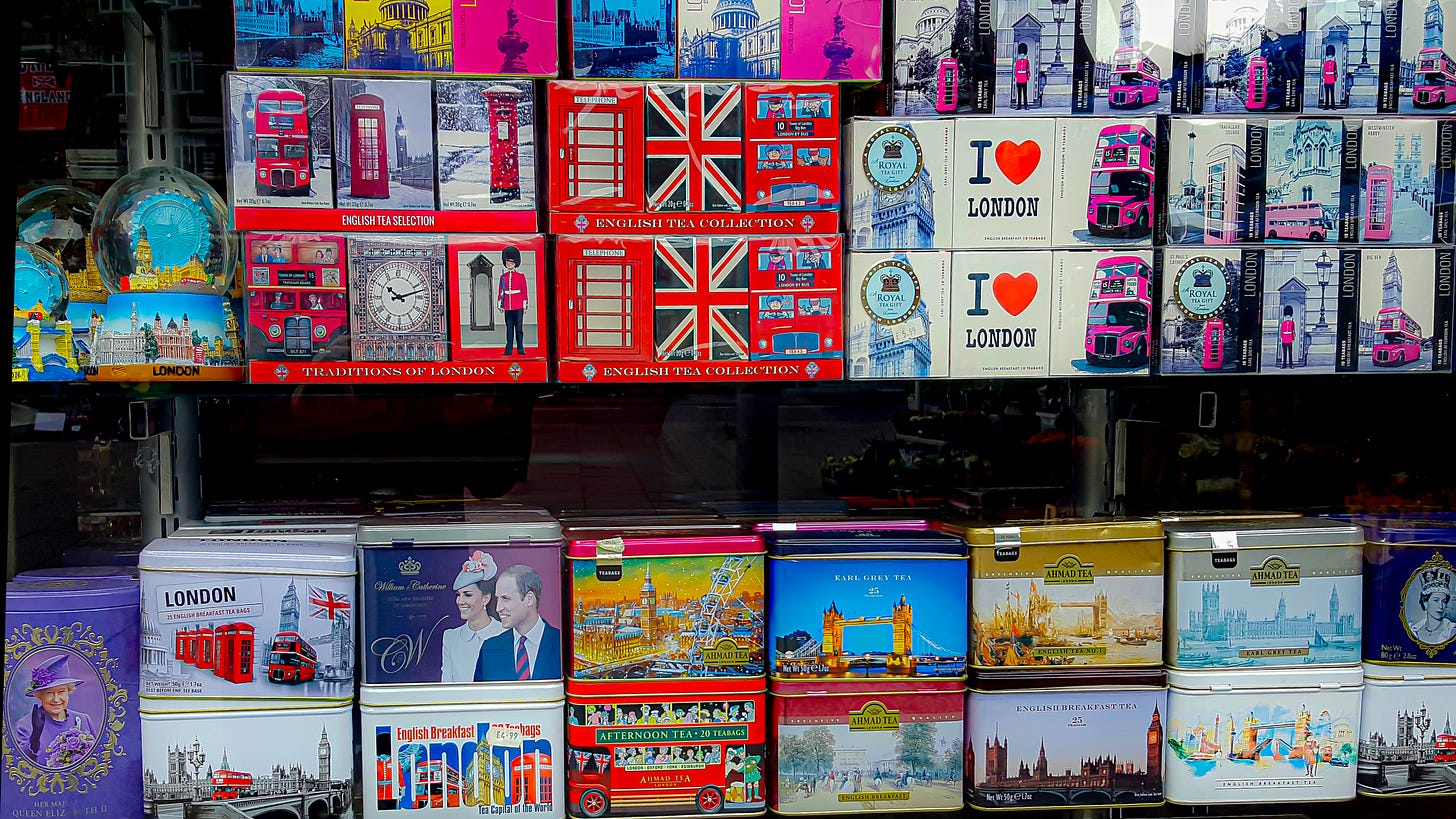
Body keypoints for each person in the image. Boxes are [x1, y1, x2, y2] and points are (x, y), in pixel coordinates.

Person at [474, 564, 561, 681]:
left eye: (506, 599)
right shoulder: (489, 648)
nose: (498, 608)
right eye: (498, 599)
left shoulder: (562, 644)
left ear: (529, 599)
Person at [13, 655, 96, 767]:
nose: (56, 699)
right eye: (49, 693)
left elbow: (97, 759)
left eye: (61, 691)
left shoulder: (84, 719)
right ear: (40, 695)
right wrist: (34, 738)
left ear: (69, 691)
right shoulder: (25, 725)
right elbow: (22, 765)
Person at [441, 550, 502, 682]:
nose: (460, 601)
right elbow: (446, 684)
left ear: (485, 598)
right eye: (459, 594)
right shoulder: (451, 637)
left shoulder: (506, 633)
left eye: (467, 595)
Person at [498, 245, 528, 356]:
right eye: (507, 261)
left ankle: (520, 348)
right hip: (507, 306)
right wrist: (501, 305)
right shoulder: (503, 277)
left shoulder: (521, 276)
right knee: (509, 329)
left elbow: (524, 292)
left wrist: (524, 306)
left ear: (515, 263)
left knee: (519, 329)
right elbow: (501, 292)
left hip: (518, 305)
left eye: (511, 261)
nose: (509, 263)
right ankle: (508, 349)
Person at [1413, 570, 1456, 644]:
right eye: (1436, 600)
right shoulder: (1416, 630)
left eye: (1444, 601)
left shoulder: (1451, 630)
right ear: (1425, 603)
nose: (1441, 606)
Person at [1014, 44, 1030, 109]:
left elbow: (1028, 69)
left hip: (1024, 78)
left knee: (1025, 93)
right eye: (1021, 55)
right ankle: (1019, 105)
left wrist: (1028, 76)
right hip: (1019, 78)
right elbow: (1016, 69)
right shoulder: (1017, 62)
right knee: (1019, 93)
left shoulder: (1027, 61)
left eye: (1023, 55)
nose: (1022, 56)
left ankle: (1026, 105)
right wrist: (1016, 77)